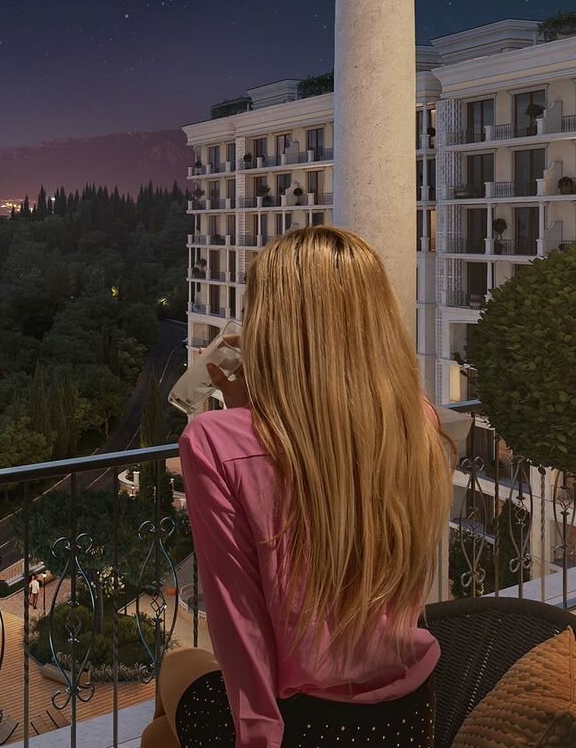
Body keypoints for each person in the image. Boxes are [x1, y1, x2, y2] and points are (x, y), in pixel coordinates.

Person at [143, 227, 453, 748]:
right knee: (160, 737)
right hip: (409, 711)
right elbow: (315, 463)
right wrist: (254, 411)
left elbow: (239, 622)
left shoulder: (213, 442)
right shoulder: (415, 421)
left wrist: (260, 738)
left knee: (175, 669)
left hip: (304, 723)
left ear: (271, 327)